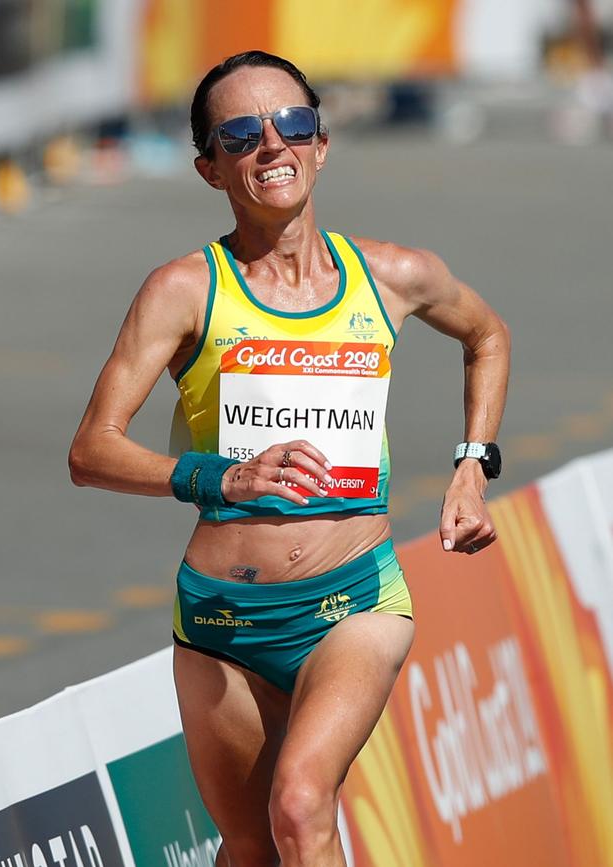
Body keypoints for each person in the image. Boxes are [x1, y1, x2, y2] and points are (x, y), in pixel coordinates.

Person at [69, 50, 510, 867]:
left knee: (302, 804)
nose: (272, 145)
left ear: (322, 142)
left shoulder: (391, 276)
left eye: (293, 123)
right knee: (249, 849)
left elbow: (487, 335)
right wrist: (220, 475)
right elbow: (91, 449)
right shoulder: (184, 290)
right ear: (209, 168)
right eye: (241, 134)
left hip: (354, 600)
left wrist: (471, 465)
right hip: (219, 623)